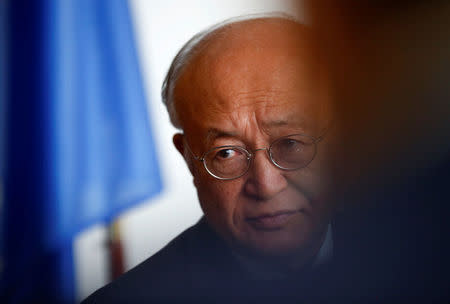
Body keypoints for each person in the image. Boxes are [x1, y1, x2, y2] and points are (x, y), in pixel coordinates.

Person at [84, 13, 336, 303]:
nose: (266, 186)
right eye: (226, 153)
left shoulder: (397, 256)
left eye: (291, 143)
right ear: (188, 156)